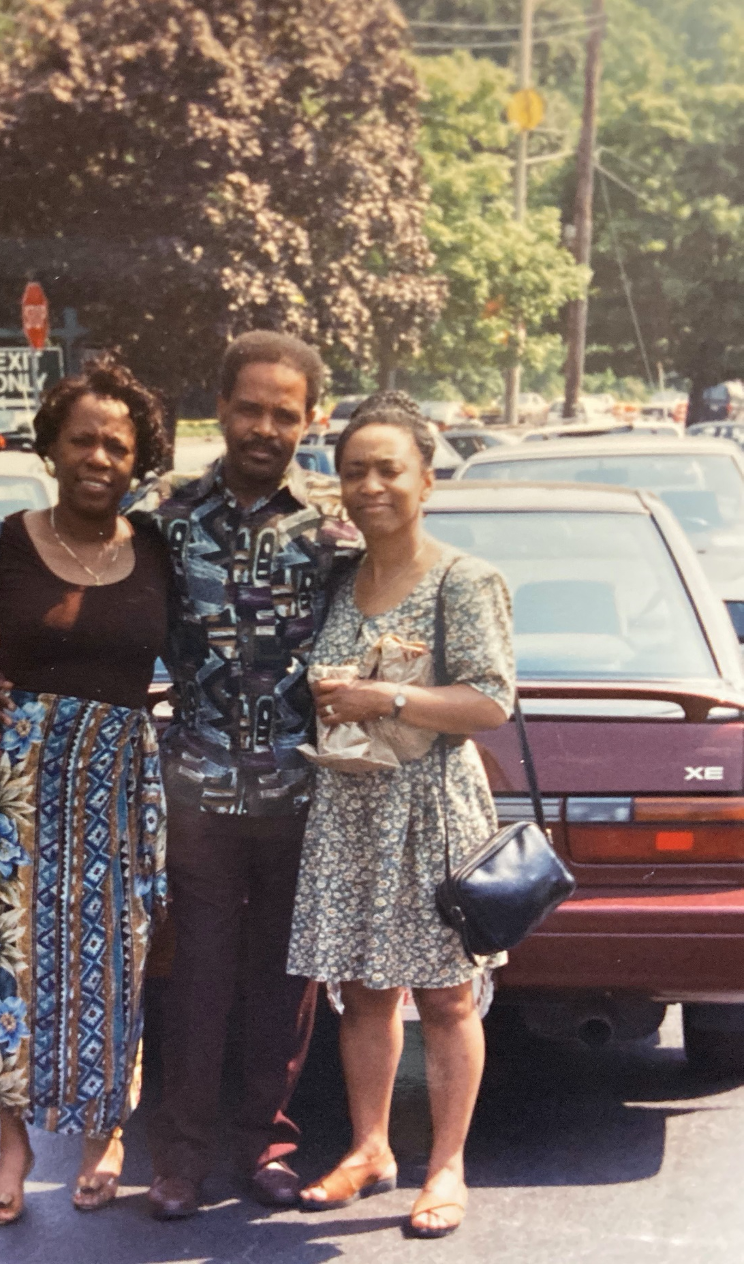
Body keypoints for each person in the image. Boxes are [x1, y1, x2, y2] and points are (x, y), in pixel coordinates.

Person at [0, 330, 359, 1218]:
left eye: (284, 414)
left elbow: (392, 617)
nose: (264, 427)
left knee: (282, 981)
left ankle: (264, 1140)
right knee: (193, 979)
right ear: (219, 410)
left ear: (310, 420)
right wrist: (2, 663)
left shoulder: (338, 531)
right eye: (249, 409)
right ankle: (179, 1158)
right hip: (194, 795)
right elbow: (87, 599)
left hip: (303, 792)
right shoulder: (164, 516)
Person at [0, 355, 170, 1226]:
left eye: (117, 445)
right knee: (9, 966)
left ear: (138, 460)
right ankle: (13, 1144)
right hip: (10, 785)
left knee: (116, 961)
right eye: (82, 440)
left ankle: (106, 1132)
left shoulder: (160, 550)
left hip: (117, 783)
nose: (98, 458)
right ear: (52, 448)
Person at [286, 400, 515, 1238]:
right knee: (362, 994)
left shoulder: (463, 579)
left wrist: (385, 694)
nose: (370, 485)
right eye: (354, 471)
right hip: (350, 808)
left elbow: (490, 702)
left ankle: (445, 1165)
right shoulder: (337, 580)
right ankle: (370, 1148)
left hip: (429, 811)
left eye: (388, 469)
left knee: (448, 999)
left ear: (426, 476)